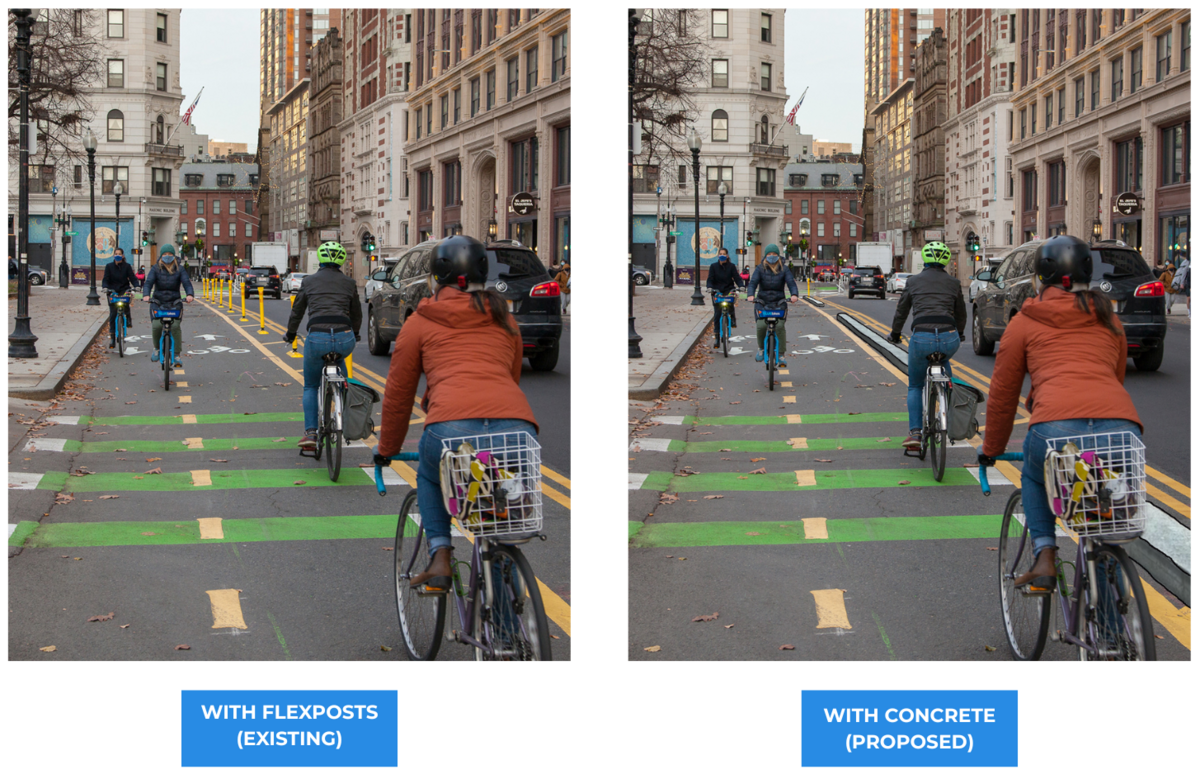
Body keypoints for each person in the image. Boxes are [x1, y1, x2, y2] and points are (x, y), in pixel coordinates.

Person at [978, 235, 1143, 589]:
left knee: (1034, 476)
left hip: (1055, 427)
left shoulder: (1024, 321)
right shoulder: (1108, 318)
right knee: (1104, 517)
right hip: (1121, 426)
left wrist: (991, 449)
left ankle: (1045, 556)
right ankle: (1115, 633)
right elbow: (1116, 376)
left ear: (1040, 278)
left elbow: (1003, 395)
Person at [375, 235, 539, 590]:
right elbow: (511, 378)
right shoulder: (504, 319)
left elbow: (399, 395)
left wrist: (387, 449)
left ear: (436, 277)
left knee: (430, 474)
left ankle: (441, 555)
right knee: (500, 521)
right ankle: (510, 635)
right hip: (516, 426)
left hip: (450, 426)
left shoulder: (419, 322)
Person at [887, 241, 966, 450]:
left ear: (925, 259)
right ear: (946, 261)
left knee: (915, 385)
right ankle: (950, 414)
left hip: (922, 337)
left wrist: (895, 334)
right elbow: (961, 315)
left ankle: (915, 433)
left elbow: (901, 312)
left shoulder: (913, 282)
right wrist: (960, 333)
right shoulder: (954, 283)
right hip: (949, 338)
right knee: (944, 360)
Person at [284, 241, 362, 450]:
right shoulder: (349, 283)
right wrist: (355, 333)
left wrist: (291, 334)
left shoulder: (309, 282)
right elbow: (356, 314)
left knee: (311, 385)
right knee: (341, 365)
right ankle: (347, 413)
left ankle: (311, 432)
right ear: (341, 261)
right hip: (344, 338)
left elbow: (297, 312)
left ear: (320, 259)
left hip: (317, 337)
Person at [746, 244, 799, 365]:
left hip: (779, 302)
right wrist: (751, 295)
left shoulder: (784, 269)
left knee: (779, 327)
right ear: (765, 256)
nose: (771, 257)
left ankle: (781, 354)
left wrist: (794, 294)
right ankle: (761, 349)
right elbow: (753, 282)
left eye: (774, 254)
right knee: (761, 326)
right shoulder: (760, 268)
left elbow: (791, 283)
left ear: (778, 256)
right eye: (769, 254)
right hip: (762, 302)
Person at [141, 245, 194, 366]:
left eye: (170, 254)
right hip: (158, 303)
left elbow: (186, 283)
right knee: (156, 326)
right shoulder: (155, 269)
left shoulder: (180, 269)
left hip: (174, 303)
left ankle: (176, 354)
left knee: (175, 327)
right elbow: (148, 283)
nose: (167, 257)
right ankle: (156, 348)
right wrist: (146, 295)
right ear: (161, 256)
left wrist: (189, 294)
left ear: (174, 256)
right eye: (165, 255)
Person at [705, 247, 745, 347]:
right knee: (717, 314)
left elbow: (737, 278)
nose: (722, 255)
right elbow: (710, 279)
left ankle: (732, 318)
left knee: (730, 303)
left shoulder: (731, 266)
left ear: (727, 256)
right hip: (717, 290)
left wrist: (741, 286)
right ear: (718, 255)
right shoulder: (713, 266)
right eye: (720, 254)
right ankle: (717, 338)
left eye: (724, 254)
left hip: (728, 289)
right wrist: (709, 287)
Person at [101, 247, 138, 349]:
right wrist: (105, 287)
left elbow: (132, 278)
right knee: (113, 314)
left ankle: (128, 318)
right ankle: (112, 337)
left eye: (119, 254)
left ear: (123, 255)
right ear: (113, 255)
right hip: (112, 291)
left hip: (123, 289)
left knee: (126, 304)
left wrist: (137, 286)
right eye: (116, 253)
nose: (117, 255)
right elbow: (106, 279)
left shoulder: (127, 266)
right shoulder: (109, 266)